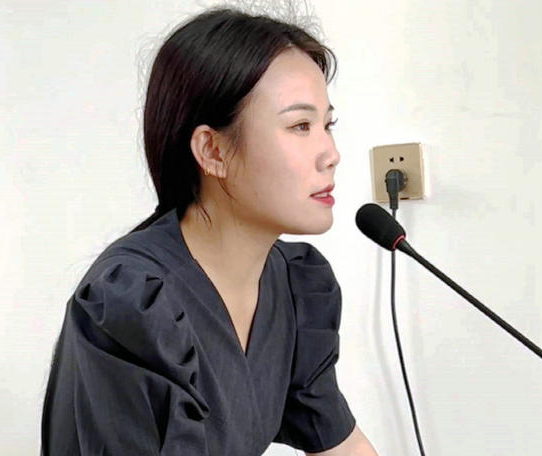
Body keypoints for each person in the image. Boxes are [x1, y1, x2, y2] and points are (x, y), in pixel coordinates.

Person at [40, 5, 378, 456]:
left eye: (326, 124)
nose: (331, 153)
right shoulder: (132, 302)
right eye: (300, 126)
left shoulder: (297, 287)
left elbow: (340, 442)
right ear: (213, 151)